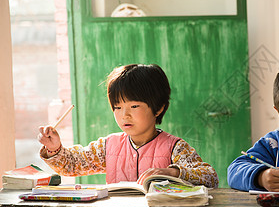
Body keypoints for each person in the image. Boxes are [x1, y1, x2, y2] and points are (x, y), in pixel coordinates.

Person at [38, 64, 219, 188]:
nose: (125, 114)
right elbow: (73, 164)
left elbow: (210, 177)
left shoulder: (175, 148)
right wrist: (55, 148)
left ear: (158, 108)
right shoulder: (108, 146)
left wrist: (172, 172)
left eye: (134, 106)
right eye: (117, 107)